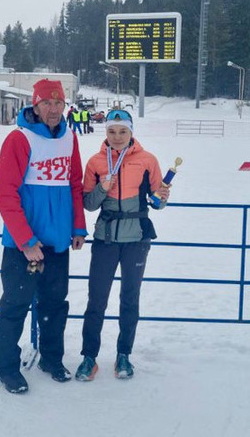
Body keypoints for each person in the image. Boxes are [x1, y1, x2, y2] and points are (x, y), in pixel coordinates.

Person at [0, 78, 88, 394]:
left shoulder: (70, 138)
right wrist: (26, 240)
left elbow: (75, 185)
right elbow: (5, 194)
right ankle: (7, 368)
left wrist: (77, 227)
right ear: (35, 105)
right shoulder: (19, 139)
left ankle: (51, 358)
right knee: (15, 306)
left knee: (55, 305)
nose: (53, 109)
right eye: (47, 103)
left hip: (57, 242)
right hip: (23, 246)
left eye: (59, 103)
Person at [74, 109, 170, 382]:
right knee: (96, 300)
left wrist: (162, 197)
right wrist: (102, 188)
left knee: (130, 299)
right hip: (105, 240)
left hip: (136, 240)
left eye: (122, 131)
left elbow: (157, 202)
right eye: (112, 131)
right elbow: (88, 204)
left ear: (131, 132)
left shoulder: (148, 160)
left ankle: (124, 354)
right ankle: (89, 357)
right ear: (105, 132)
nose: (117, 137)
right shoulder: (95, 162)